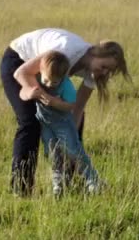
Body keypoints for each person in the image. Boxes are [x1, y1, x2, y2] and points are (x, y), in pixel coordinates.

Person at [0, 28, 130, 197]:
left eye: (109, 71)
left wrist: (69, 136)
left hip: (44, 76)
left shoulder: (93, 72)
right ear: (96, 53)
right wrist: (43, 96)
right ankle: (21, 189)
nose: (104, 73)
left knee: (74, 124)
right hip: (19, 61)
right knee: (31, 122)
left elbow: (77, 107)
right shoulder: (66, 51)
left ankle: (68, 181)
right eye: (104, 66)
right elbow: (22, 73)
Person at [35, 51, 100, 197]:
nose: (50, 85)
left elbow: (71, 105)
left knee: (72, 149)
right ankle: (58, 181)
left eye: (55, 82)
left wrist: (55, 103)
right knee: (51, 149)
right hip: (45, 122)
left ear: (63, 77)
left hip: (63, 122)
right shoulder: (37, 78)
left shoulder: (66, 86)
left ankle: (91, 178)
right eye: (46, 81)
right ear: (40, 71)